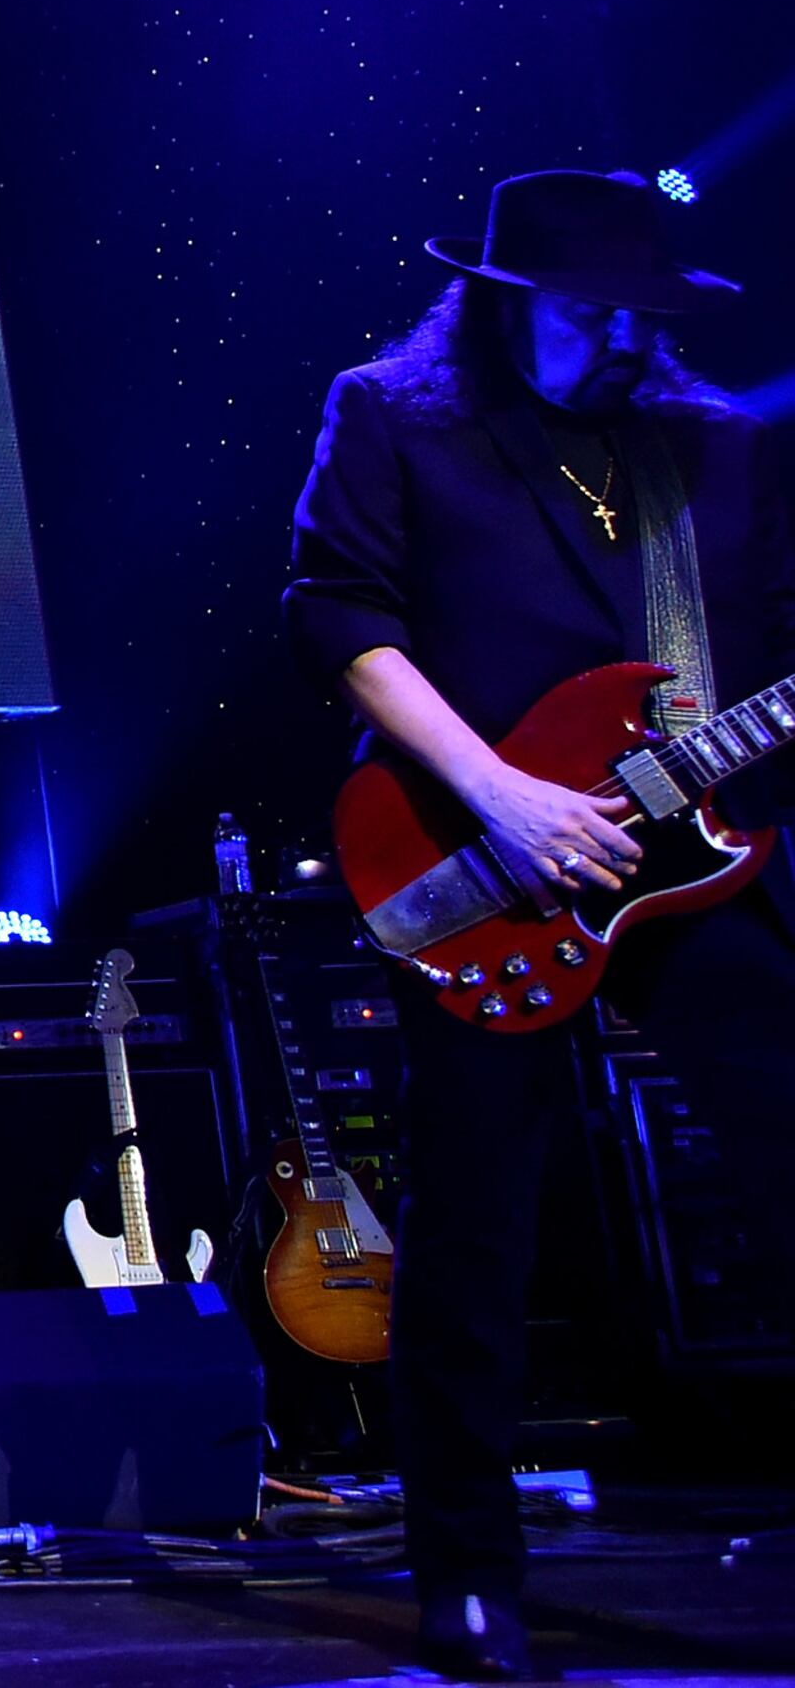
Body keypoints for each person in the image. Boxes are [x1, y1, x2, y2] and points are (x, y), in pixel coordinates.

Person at [286, 168, 795, 1682]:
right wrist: (503, 795)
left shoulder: (716, 444)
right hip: (478, 856)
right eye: (589, 310)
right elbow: (338, 617)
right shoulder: (398, 413)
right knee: (477, 1227)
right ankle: (468, 1572)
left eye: (642, 314)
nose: (619, 340)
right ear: (505, 301)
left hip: (696, 859)